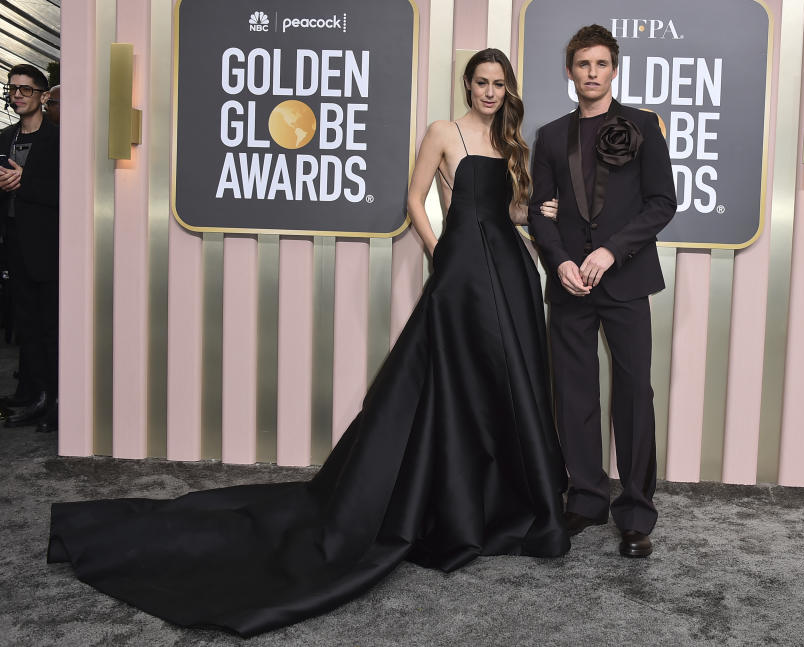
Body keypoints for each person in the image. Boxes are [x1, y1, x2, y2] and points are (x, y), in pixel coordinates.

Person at [47, 49, 569, 637]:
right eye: (482, 82)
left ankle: (501, 500)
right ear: (467, 84)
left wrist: (536, 208)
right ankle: (451, 505)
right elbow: (414, 199)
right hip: (462, 271)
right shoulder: (443, 132)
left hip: (513, 273)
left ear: (508, 90)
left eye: (499, 84)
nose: (490, 92)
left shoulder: (511, 141)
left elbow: (508, 211)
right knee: (453, 385)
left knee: (506, 381)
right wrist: (438, 251)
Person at [528, 25, 677, 558]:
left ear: (614, 70)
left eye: (601, 64)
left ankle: (636, 512)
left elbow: (662, 202)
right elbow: (538, 213)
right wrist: (560, 260)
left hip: (625, 278)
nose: (592, 72)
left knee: (635, 394)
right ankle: (586, 497)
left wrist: (610, 251)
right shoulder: (548, 136)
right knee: (572, 392)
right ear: (569, 71)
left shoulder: (642, 126)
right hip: (569, 283)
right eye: (582, 64)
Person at [0, 64, 59, 432]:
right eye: (12, 89)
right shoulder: (3, 137)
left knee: (50, 324)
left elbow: (67, 191)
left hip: (48, 246)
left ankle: (51, 398)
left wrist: (25, 181)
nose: (17, 94)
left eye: (25, 89)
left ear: (43, 95)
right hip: (13, 242)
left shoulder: (57, 140)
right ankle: (29, 394)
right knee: (26, 323)